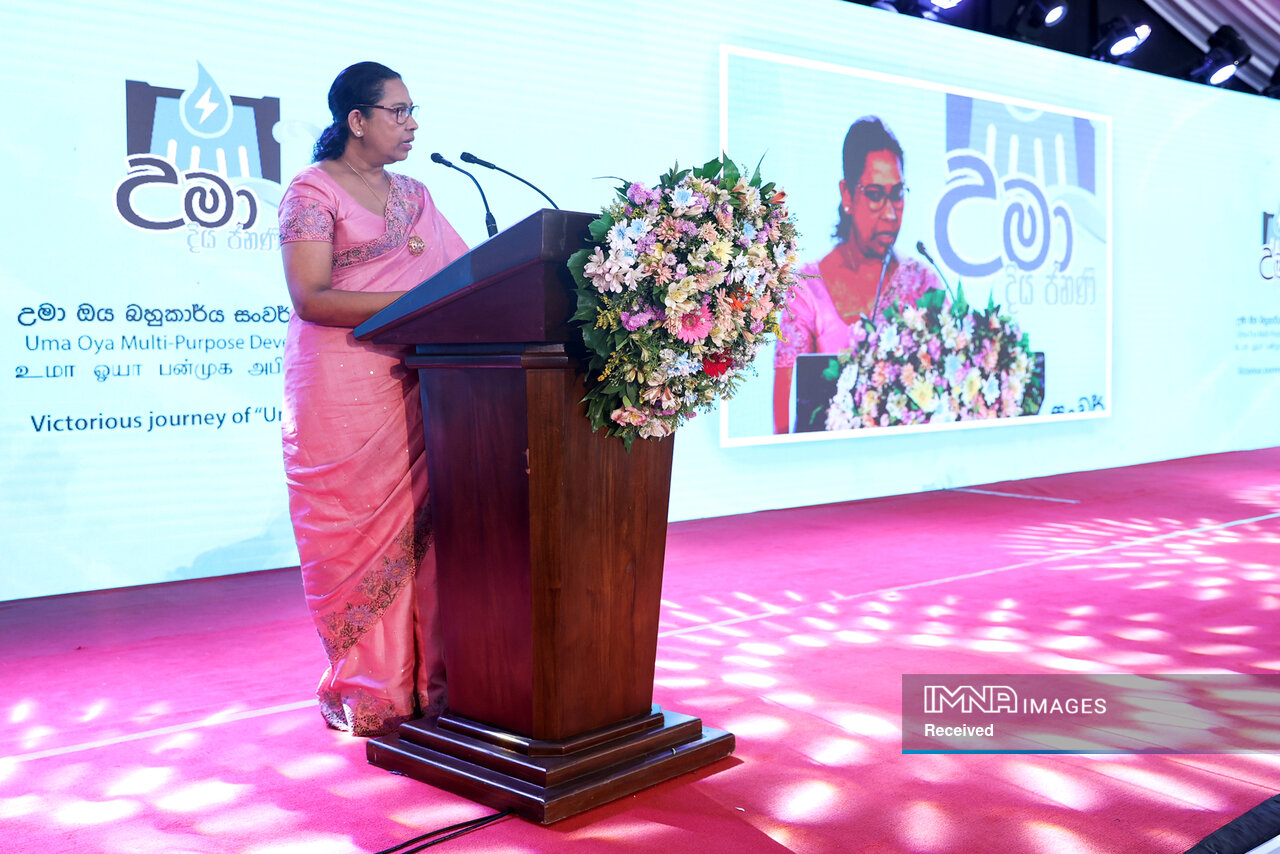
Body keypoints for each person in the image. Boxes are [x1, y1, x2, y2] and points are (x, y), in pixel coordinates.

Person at [277, 62, 468, 736]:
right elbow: (311, 298)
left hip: (414, 379)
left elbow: (467, 276)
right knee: (356, 537)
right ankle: (374, 689)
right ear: (357, 120)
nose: (412, 124)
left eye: (413, 111)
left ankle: (437, 683)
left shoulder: (417, 195)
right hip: (340, 388)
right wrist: (416, 301)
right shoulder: (312, 190)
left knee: (427, 534)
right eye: (399, 111)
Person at [773, 116, 939, 433]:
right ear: (847, 194)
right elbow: (783, 425)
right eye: (875, 194)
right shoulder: (806, 290)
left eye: (897, 193)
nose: (890, 213)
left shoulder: (923, 283)